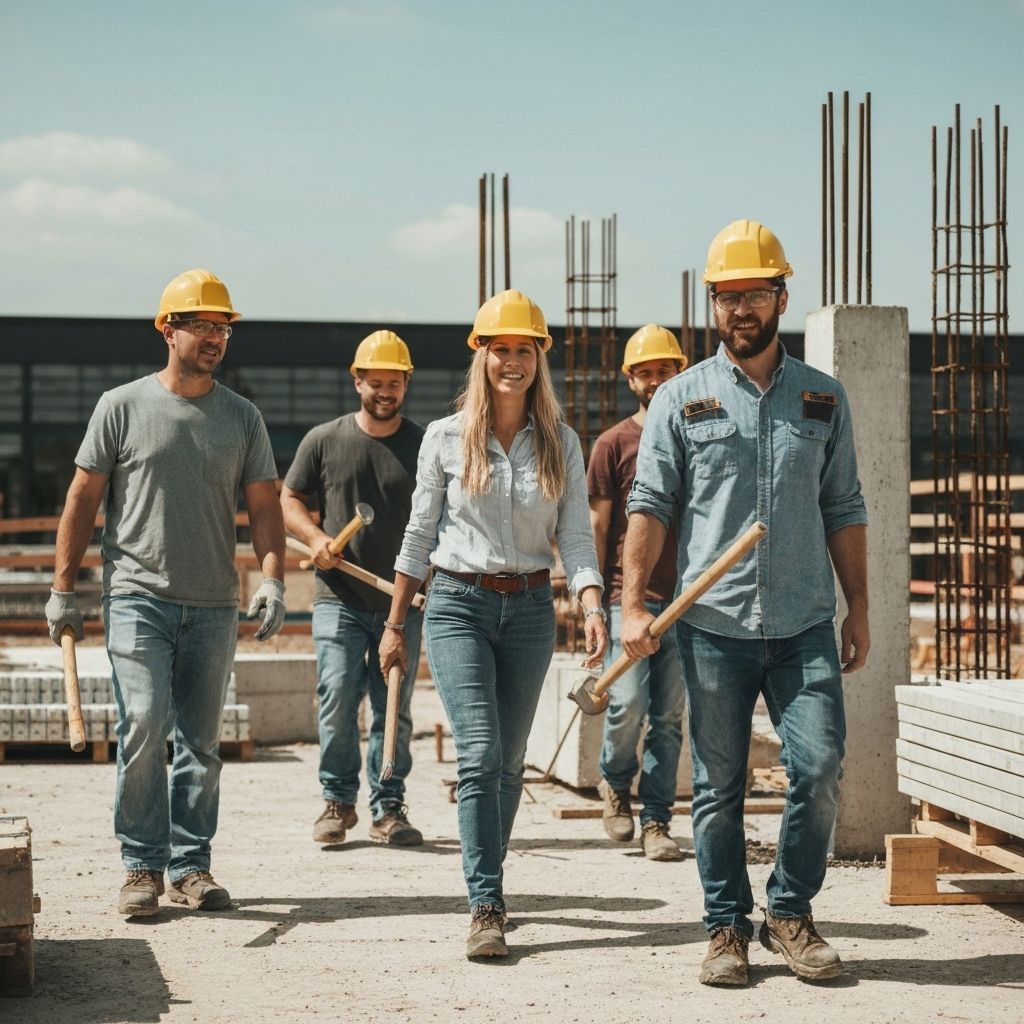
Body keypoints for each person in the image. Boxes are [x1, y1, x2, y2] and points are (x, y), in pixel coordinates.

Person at [621, 220, 869, 986]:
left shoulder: (822, 398)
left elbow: (846, 505)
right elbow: (651, 503)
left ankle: (789, 911)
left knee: (820, 764)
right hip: (713, 628)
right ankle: (726, 927)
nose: (741, 310)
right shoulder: (680, 398)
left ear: (782, 297)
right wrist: (634, 604)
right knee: (720, 788)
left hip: (803, 625)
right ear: (714, 305)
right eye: (728, 297)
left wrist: (858, 605)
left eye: (755, 294)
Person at [44, 269, 286, 917]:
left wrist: (270, 576)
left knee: (201, 744)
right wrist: (63, 588)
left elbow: (264, 505)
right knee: (146, 723)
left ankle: (190, 866)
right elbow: (83, 498)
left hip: (211, 605)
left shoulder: (242, 417)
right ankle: (141, 866)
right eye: (202, 325)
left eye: (223, 327)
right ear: (167, 329)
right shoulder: (121, 407)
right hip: (137, 598)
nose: (215, 337)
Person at [379, 289, 608, 959]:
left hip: (532, 610)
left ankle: (490, 877)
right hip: (457, 604)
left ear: (540, 359)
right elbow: (419, 534)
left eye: (524, 350)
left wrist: (592, 602)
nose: (512, 361)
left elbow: (576, 538)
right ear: (481, 356)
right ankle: (486, 902)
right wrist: (396, 623)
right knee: (479, 753)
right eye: (500, 349)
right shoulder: (445, 439)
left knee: (510, 764)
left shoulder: (561, 441)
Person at [281, 330, 425, 847]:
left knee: (394, 705)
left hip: (402, 603)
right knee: (337, 696)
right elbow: (289, 498)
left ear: (406, 382)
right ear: (357, 379)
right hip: (338, 599)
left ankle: (389, 807)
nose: (385, 391)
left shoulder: (423, 444)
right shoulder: (325, 440)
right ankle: (338, 803)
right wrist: (316, 538)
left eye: (395, 382)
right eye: (375, 382)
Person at [588, 324, 687, 861]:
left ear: (680, 372)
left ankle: (656, 820)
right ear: (631, 379)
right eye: (645, 373)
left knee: (669, 718)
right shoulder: (613, 444)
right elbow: (598, 527)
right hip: (629, 596)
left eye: (664, 371)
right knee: (626, 704)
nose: (655, 381)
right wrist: (596, 601)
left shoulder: (696, 436)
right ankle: (615, 784)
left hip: (685, 602)